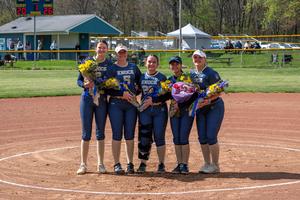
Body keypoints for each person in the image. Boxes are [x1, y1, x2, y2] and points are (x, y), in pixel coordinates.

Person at [76, 40, 111, 175]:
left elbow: (109, 81)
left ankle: (100, 164)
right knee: (86, 133)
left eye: (104, 48)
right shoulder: (87, 62)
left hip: (101, 100)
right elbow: (78, 80)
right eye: (99, 47)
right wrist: (84, 84)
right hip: (87, 99)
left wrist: (98, 83)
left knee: (100, 132)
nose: (101, 50)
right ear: (95, 49)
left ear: (107, 50)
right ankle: (83, 164)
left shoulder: (109, 65)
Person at [106, 44, 142, 174]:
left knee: (129, 135)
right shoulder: (111, 68)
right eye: (119, 53)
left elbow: (140, 84)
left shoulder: (133, 67)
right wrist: (121, 94)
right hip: (116, 103)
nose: (121, 55)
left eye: (123, 52)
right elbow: (107, 88)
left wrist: (135, 94)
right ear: (116, 54)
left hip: (131, 105)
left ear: (127, 54)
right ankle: (116, 164)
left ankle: (130, 163)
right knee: (117, 134)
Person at [191, 50, 225, 174]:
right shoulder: (191, 73)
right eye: (195, 57)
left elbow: (219, 91)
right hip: (200, 108)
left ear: (205, 59)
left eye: (200, 58)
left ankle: (215, 165)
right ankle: (207, 163)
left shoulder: (211, 73)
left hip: (214, 107)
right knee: (202, 137)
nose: (197, 60)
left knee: (211, 136)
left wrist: (208, 101)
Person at [136, 55, 168, 173]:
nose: (151, 64)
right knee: (144, 136)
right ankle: (143, 163)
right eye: (149, 62)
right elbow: (136, 91)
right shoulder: (141, 77)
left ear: (157, 64)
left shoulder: (162, 77)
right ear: (145, 63)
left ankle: (161, 164)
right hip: (145, 111)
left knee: (159, 137)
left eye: (154, 62)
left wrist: (154, 101)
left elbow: (167, 96)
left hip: (159, 110)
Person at [168, 56, 195, 174]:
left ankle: (185, 164)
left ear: (181, 65)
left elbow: (193, 95)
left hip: (186, 110)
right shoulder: (169, 80)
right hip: (174, 110)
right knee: (176, 138)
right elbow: (165, 96)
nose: (174, 66)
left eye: (176, 64)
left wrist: (182, 102)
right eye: (172, 64)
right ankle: (179, 164)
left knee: (183, 137)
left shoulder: (187, 78)